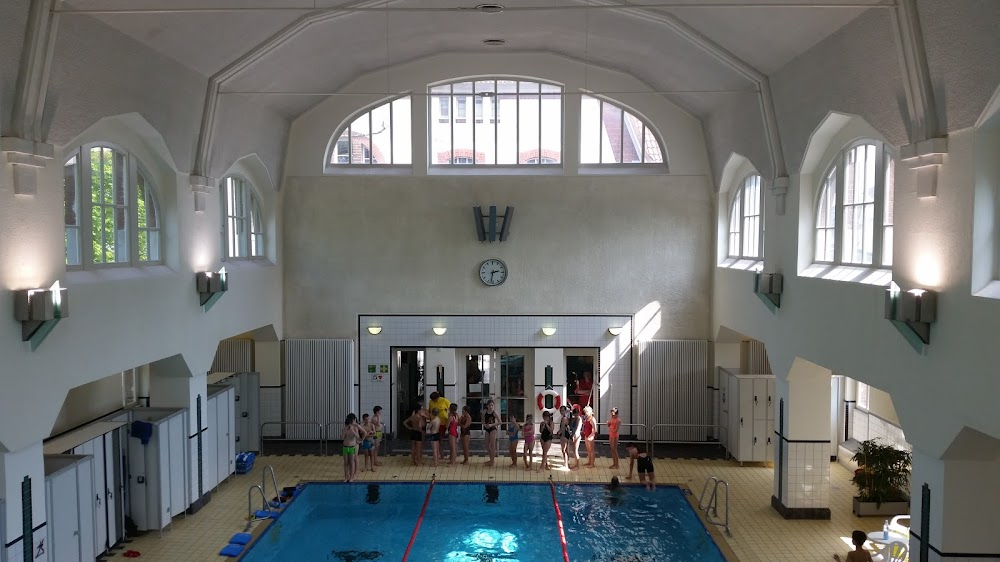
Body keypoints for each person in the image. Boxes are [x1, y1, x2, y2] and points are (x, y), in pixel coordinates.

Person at [342, 413, 365, 483]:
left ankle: (351, 477)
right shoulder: (344, 428)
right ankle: (346, 477)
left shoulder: (355, 427)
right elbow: (342, 438)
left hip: (352, 447)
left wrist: (352, 430)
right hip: (345, 447)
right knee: (346, 463)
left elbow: (358, 436)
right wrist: (346, 430)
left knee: (352, 462)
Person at [429, 391, 451, 459]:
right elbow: (429, 411)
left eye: (434, 399)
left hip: (442, 423)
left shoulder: (444, 401)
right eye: (432, 400)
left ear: (438, 398)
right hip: (434, 423)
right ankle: (439, 454)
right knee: (437, 440)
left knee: (440, 439)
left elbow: (451, 409)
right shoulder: (431, 402)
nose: (433, 401)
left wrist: (450, 420)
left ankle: (441, 455)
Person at [482, 400, 499, 466]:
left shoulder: (494, 413)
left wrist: (492, 425)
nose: (491, 407)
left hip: (492, 429)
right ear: (487, 406)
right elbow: (482, 420)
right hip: (487, 429)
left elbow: (500, 422)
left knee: (492, 445)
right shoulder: (484, 412)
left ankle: (492, 461)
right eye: (489, 405)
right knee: (486, 445)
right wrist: (484, 424)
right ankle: (491, 459)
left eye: (492, 405)